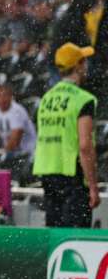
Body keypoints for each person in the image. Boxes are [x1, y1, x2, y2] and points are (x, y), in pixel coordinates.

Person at [33, 43, 100, 227]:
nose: (86, 66)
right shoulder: (83, 99)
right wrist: (93, 186)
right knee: (75, 237)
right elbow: (85, 146)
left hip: (48, 172)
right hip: (72, 175)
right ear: (78, 66)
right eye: (84, 61)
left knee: (55, 235)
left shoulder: (46, 99)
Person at [0, 83, 37, 157]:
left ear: (11, 96)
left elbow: (15, 140)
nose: (1, 99)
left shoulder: (17, 111)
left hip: (26, 153)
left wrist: (1, 154)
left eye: (4, 95)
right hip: (11, 152)